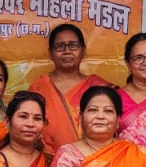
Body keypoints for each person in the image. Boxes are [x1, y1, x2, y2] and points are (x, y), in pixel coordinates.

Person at [29, 24, 112, 154]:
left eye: (73, 45)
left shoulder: (100, 87)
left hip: (95, 161)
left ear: (83, 50)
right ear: (51, 52)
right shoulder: (39, 87)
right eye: (60, 46)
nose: (67, 51)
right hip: (48, 161)